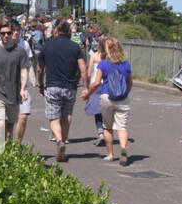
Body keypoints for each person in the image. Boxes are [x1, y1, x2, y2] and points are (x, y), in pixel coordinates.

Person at [35, 19, 87, 163]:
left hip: (52, 85)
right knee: (66, 115)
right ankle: (64, 140)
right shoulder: (76, 48)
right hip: (70, 86)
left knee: (53, 117)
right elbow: (83, 69)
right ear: (69, 33)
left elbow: (40, 69)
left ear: (56, 31)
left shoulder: (47, 46)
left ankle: (59, 141)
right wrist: (86, 87)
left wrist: (40, 84)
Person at [83, 37, 133, 166]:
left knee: (107, 127)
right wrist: (125, 93)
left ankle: (110, 154)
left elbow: (96, 83)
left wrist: (87, 94)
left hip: (106, 97)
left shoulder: (103, 64)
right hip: (122, 98)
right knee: (122, 127)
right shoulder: (125, 64)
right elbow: (130, 83)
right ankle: (123, 148)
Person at [83, 37, 106, 139]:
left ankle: (100, 131)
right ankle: (106, 130)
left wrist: (87, 87)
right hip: (106, 84)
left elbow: (89, 73)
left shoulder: (94, 56)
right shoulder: (110, 57)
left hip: (95, 85)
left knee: (97, 110)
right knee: (107, 109)